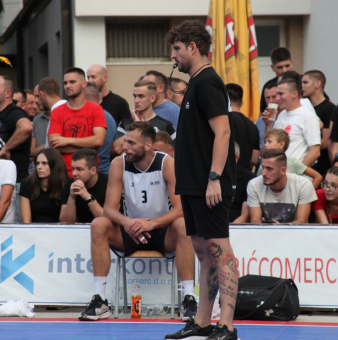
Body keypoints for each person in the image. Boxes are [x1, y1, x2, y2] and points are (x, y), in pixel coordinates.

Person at [79, 122, 196, 323]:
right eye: (125, 142)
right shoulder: (119, 163)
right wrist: (128, 222)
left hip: (161, 230)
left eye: (132, 143)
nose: (125, 147)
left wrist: (152, 224)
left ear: (148, 145)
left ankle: (189, 298)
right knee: (99, 224)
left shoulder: (167, 163)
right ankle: (100, 300)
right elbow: (108, 208)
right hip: (130, 230)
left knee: (184, 225)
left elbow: (180, 209)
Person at [165, 20, 238, 340]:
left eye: (177, 49)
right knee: (203, 253)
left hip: (208, 184)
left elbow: (223, 132)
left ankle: (228, 326)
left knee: (222, 253)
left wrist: (214, 178)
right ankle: (203, 321)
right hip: (192, 183)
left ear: (193, 47)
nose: (173, 57)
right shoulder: (195, 83)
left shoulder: (207, 82)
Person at [0, 75, 33, 222]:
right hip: (2, 182)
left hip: (16, 183)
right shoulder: (0, 114)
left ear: (7, 93)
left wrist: (6, 148)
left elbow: (26, 127)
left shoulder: (14, 112)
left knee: (16, 231)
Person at [48, 67, 107, 176]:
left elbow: (99, 140)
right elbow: (54, 144)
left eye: (72, 82)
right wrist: (89, 145)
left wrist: (67, 141)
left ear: (84, 84)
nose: (68, 86)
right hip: (63, 173)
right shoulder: (57, 111)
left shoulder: (95, 109)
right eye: (65, 83)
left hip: (90, 174)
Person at [247, 149, 317, 224]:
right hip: (264, 233)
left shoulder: (303, 184)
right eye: (263, 168)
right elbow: (255, 221)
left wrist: (281, 228)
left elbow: (301, 221)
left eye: (269, 169)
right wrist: (263, 225)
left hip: (295, 233)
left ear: (283, 171)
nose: (263, 173)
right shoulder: (254, 184)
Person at [265, 78, 321, 166]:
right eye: (277, 94)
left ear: (294, 94)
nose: (277, 98)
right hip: (279, 172)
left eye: (281, 94)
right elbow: (271, 142)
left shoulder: (308, 116)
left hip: (295, 176)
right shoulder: (281, 114)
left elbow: (315, 151)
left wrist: (297, 173)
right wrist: (268, 124)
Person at [111, 80, 176, 155]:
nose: (136, 100)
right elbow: (117, 149)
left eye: (141, 96)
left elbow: (175, 150)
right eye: (135, 96)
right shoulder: (125, 123)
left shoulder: (165, 124)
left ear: (152, 98)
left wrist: (140, 125)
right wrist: (136, 124)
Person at [19, 148, 68, 223]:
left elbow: (65, 222)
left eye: (44, 163)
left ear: (54, 165)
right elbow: (26, 222)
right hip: (33, 231)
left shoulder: (65, 185)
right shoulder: (27, 184)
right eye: (38, 163)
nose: (39, 167)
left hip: (58, 231)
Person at [60, 148, 108, 224]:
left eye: (79, 169)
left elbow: (107, 221)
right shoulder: (70, 185)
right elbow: (65, 223)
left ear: (93, 170)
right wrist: (71, 197)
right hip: (79, 232)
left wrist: (88, 197)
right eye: (73, 169)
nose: (74, 173)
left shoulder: (108, 184)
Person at [302, 70, 336, 175]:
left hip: (321, 165)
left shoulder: (329, 108)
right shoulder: (304, 108)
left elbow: (326, 141)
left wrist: (301, 146)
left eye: (305, 82)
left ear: (317, 84)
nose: (301, 86)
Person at [84, 82, 117, 174]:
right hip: (106, 171)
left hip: (90, 172)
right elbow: (112, 147)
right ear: (98, 97)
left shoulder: (87, 117)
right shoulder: (109, 117)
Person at [226, 83, 260, 170]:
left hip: (227, 174)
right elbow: (254, 159)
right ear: (241, 103)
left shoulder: (223, 122)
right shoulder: (253, 126)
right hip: (245, 177)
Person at [32, 77, 66, 156]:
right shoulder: (60, 109)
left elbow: (54, 146)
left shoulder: (60, 111)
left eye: (38, 96)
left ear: (42, 94)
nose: (36, 101)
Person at [259, 47, 293, 114]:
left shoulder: (302, 82)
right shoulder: (268, 85)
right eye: (280, 67)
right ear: (272, 67)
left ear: (292, 63)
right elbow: (262, 112)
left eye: (287, 66)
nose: (284, 70)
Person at [256, 84, 277, 150]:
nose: (271, 101)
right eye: (267, 98)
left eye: (274, 97)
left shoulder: (285, 117)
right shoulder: (260, 122)